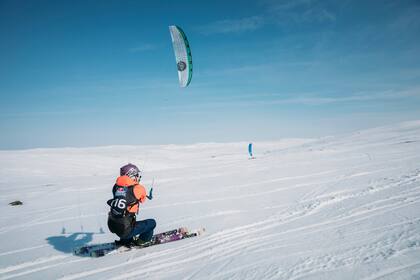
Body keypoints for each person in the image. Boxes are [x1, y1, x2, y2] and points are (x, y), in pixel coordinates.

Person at [107, 163, 155, 246]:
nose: (138, 177)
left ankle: (125, 241)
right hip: (125, 229)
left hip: (111, 224)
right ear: (131, 175)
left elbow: (124, 196)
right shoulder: (138, 188)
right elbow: (142, 199)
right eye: (136, 175)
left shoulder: (115, 187)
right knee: (152, 223)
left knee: (127, 216)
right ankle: (143, 241)